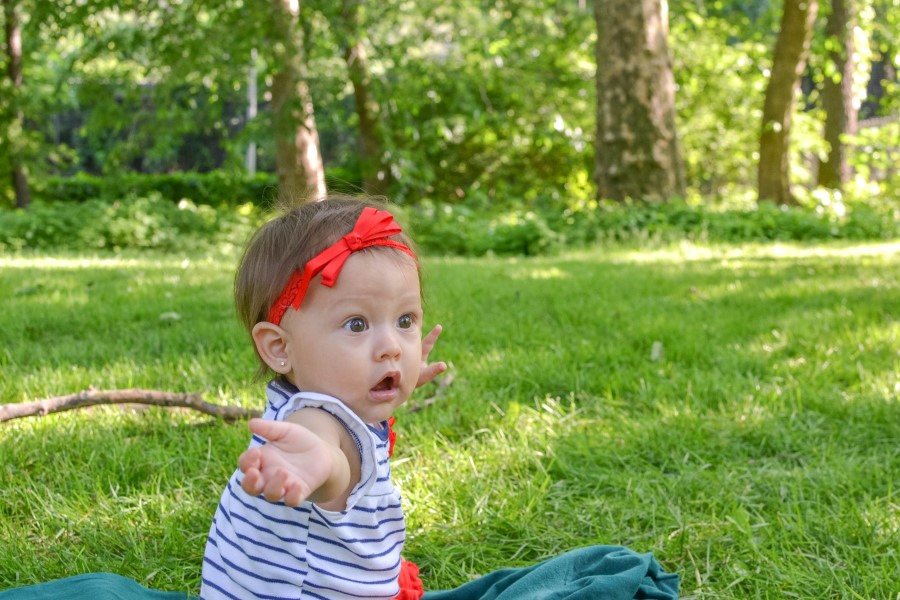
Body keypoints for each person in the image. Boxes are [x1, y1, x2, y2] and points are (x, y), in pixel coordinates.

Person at [200, 196, 445, 600]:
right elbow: (328, 452)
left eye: (405, 321)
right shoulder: (314, 423)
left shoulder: (315, 397)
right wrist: (313, 462)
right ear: (280, 347)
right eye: (357, 325)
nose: (391, 347)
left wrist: (396, 379)